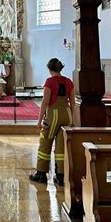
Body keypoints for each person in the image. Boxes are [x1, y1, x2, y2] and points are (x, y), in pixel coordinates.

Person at [29, 58, 75, 186]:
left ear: (49, 69)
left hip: (53, 115)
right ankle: (61, 176)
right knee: (61, 145)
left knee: (45, 142)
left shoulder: (50, 82)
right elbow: (72, 102)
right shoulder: (69, 82)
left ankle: (41, 174)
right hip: (66, 114)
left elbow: (45, 102)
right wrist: (72, 119)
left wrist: (39, 120)